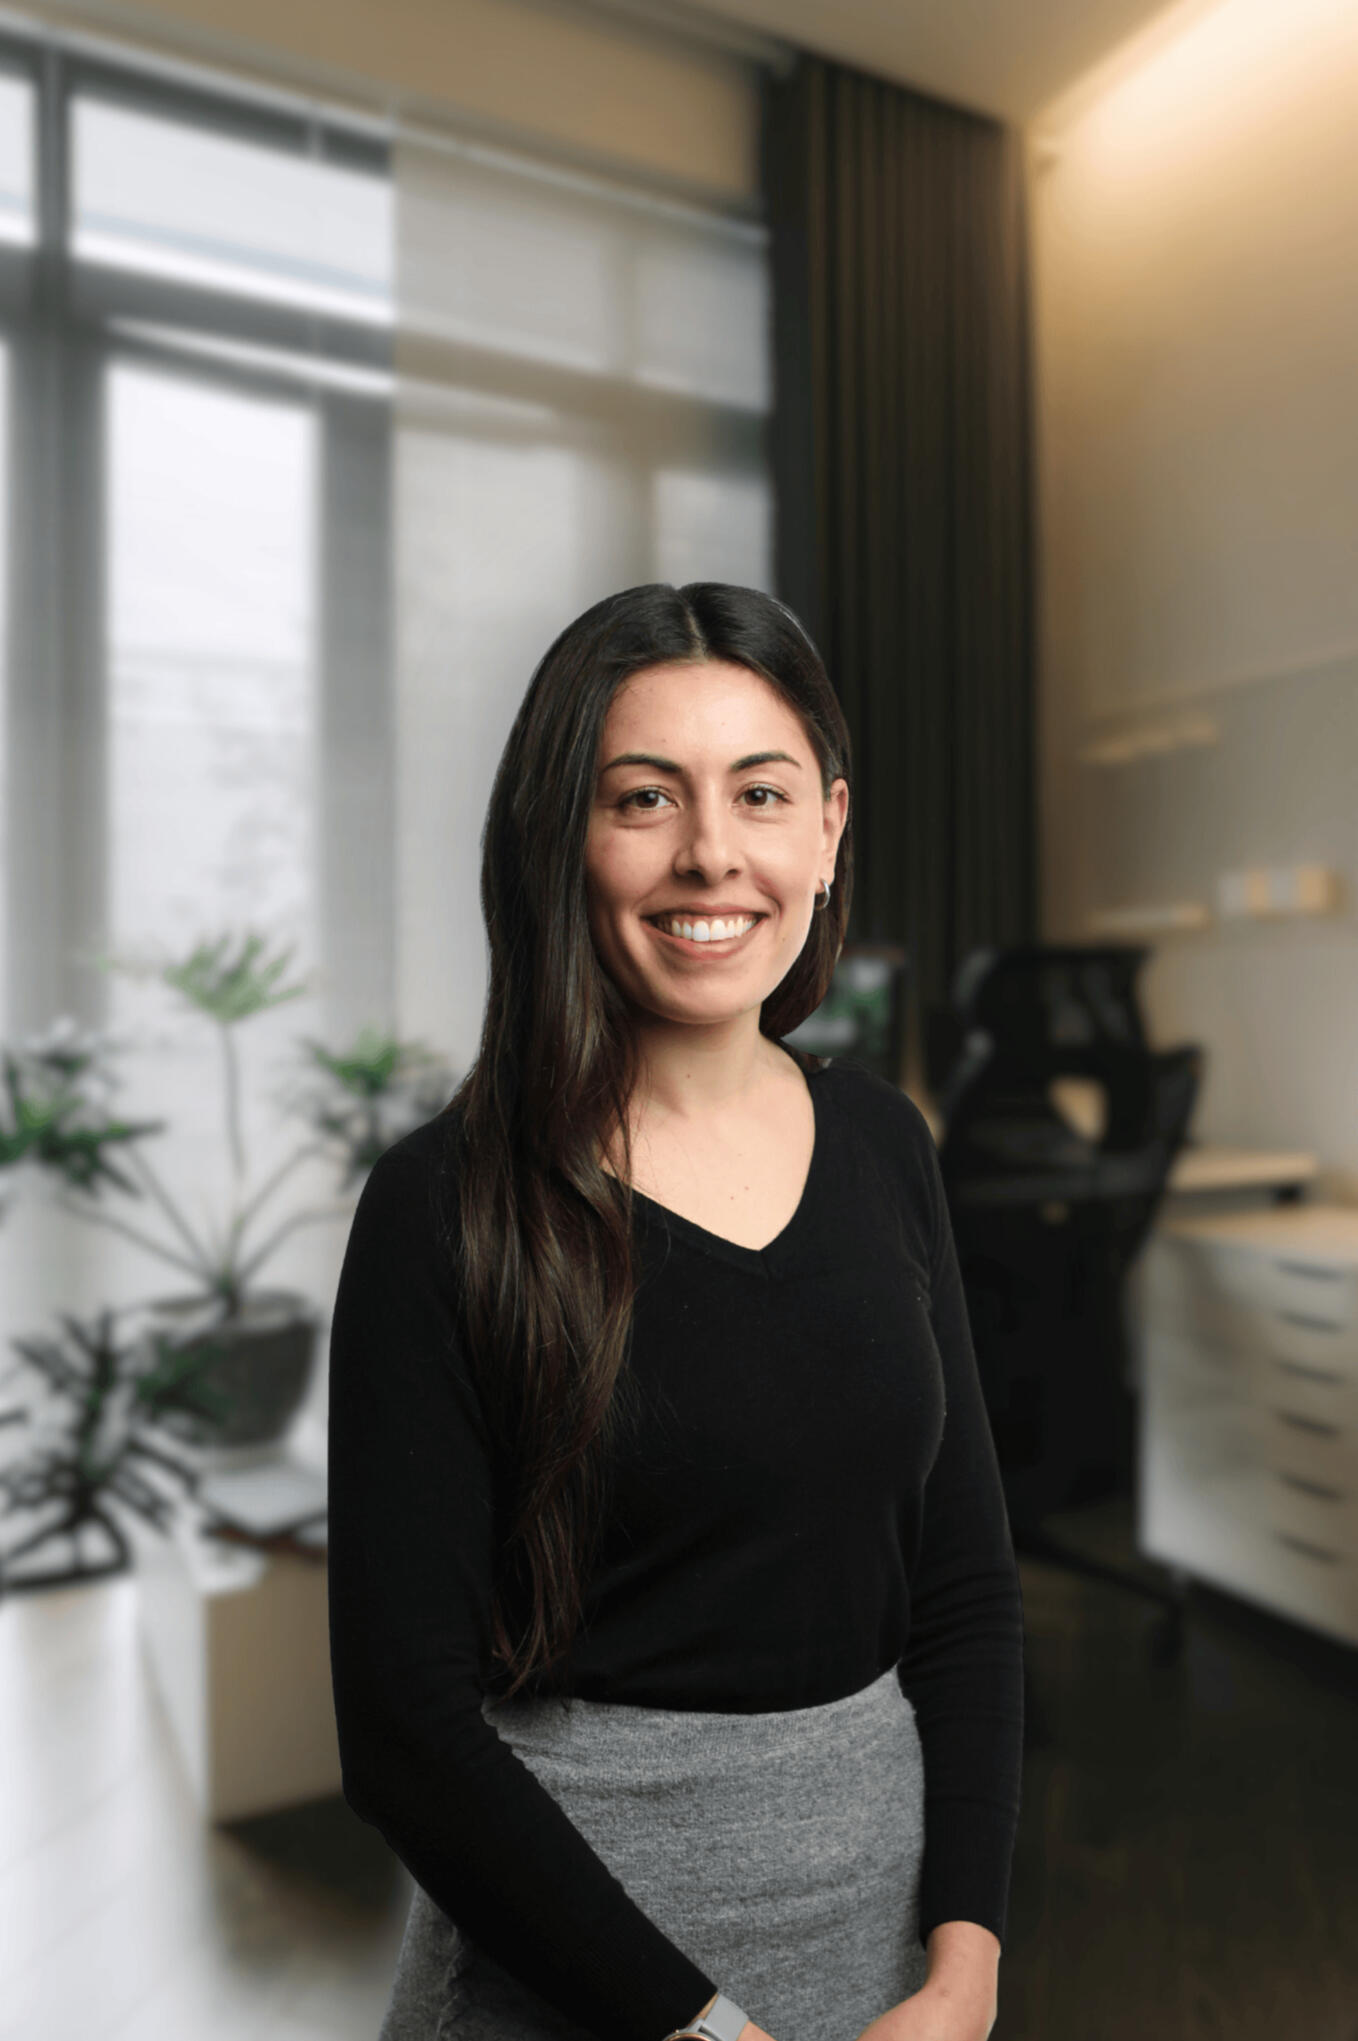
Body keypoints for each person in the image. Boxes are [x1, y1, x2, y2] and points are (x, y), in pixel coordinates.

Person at [326, 581, 1025, 2041]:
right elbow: (403, 1732)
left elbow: (963, 1588)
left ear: (827, 830)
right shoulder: (444, 1201)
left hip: (880, 1959)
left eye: (761, 793)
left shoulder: (885, 1142)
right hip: (568, 1983)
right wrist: (703, 2032)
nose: (712, 851)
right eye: (644, 798)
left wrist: (963, 1971)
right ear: (560, 838)